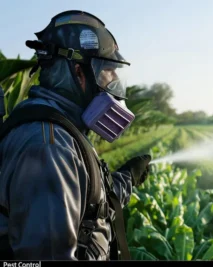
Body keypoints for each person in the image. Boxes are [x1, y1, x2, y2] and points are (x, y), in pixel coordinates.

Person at [0, 10, 151, 260]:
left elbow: (88, 206)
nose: (113, 82)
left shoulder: (64, 130)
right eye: (107, 72)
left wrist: (126, 179)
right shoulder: (48, 146)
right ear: (80, 73)